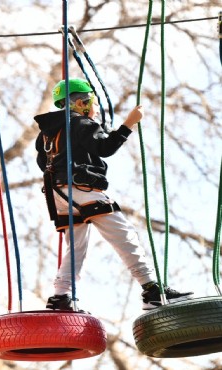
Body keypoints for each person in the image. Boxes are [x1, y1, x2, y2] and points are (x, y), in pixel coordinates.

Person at [34, 78, 192, 311]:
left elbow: (42, 161)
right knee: (123, 234)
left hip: (57, 194)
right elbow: (105, 148)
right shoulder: (80, 123)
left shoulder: (47, 133)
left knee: (76, 247)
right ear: (81, 103)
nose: (96, 108)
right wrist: (129, 123)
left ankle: (60, 296)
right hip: (81, 190)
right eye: (93, 103)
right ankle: (151, 290)